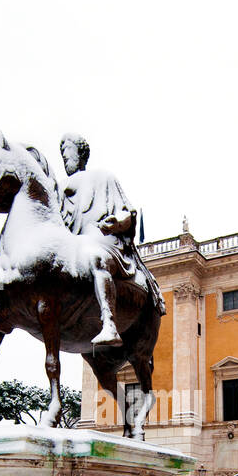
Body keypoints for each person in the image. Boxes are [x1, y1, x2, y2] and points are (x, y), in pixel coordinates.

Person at [58, 133, 164, 346]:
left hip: (101, 239)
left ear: (81, 154)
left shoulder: (103, 178)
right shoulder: (57, 188)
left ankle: (109, 323)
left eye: (67, 152)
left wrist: (117, 222)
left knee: (97, 258)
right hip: (71, 246)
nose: (64, 157)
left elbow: (127, 213)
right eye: (62, 154)